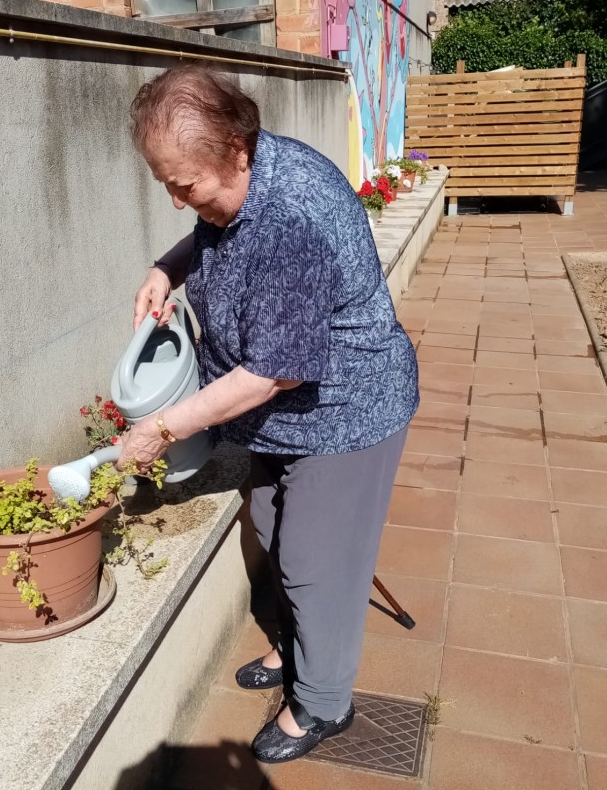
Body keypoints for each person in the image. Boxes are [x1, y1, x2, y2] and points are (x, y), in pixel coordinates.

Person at [115, 64, 418, 764]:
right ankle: (295, 646)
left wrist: (161, 427)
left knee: (317, 561)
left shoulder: (290, 218)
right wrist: (166, 269)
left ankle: (323, 701)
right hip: (285, 416)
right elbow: (210, 233)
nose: (178, 201)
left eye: (185, 185)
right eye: (165, 184)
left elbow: (274, 371)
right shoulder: (242, 178)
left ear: (237, 148)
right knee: (271, 523)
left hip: (344, 411)